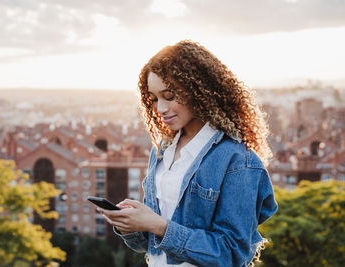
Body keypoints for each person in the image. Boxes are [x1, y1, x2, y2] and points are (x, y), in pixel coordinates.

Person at [98, 40, 277, 267]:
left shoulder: (237, 159)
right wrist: (131, 223)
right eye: (153, 99)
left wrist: (158, 226)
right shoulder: (162, 151)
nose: (160, 109)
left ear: (199, 90)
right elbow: (152, 245)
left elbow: (232, 253)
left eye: (169, 96)